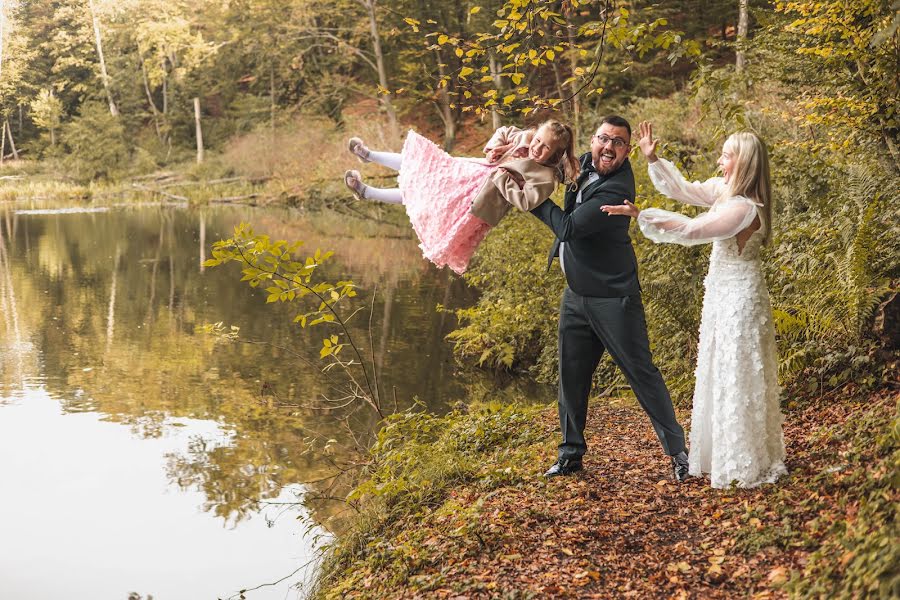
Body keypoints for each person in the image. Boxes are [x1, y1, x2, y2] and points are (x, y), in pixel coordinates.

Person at [601, 122, 786, 488]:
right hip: (721, 293)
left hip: (740, 299)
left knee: (737, 372)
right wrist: (653, 158)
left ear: (743, 162)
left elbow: (693, 230)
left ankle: (743, 462)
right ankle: (722, 455)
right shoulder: (725, 192)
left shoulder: (744, 208)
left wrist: (644, 216)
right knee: (719, 369)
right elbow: (684, 190)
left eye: (726, 155)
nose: (719, 161)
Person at [529, 115, 689, 480]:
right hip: (576, 295)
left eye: (618, 143)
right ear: (592, 140)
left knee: (641, 373)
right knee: (571, 376)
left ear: (626, 151)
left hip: (613, 298)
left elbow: (567, 228)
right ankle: (570, 455)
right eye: (604, 138)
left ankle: (678, 452)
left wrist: (530, 199)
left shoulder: (617, 188)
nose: (609, 147)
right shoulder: (584, 164)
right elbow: (549, 157)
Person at [343, 120, 579, 274]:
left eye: (546, 147)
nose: (537, 147)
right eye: (538, 140)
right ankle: (369, 155)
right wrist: (493, 148)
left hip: (481, 199)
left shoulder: (546, 177)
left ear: (556, 153)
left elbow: (526, 201)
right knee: (429, 168)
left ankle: (366, 192)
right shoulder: (526, 137)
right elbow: (503, 132)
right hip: (474, 173)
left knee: (427, 196)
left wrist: (503, 177)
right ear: (535, 133)